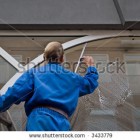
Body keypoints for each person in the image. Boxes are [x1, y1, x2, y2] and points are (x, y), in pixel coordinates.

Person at [0, 42, 99, 131]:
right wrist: (91, 65)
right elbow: (90, 83)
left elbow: (13, 94)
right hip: (62, 124)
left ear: (44, 57)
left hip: (39, 121)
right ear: (62, 58)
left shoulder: (34, 73)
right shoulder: (73, 78)